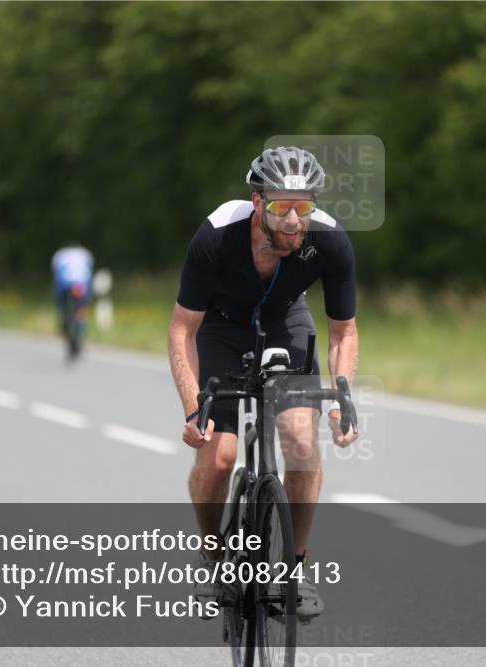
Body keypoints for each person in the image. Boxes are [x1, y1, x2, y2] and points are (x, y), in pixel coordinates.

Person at [167, 146, 361, 620]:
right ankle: (213, 561)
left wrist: (341, 400)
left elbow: (344, 332)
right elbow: (181, 330)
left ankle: (294, 568)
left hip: (286, 325)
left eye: (304, 206)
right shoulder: (218, 234)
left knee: (300, 441)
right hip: (220, 328)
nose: (294, 220)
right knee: (218, 459)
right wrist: (195, 409)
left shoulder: (330, 241)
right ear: (257, 202)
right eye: (280, 207)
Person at [51, 242, 94, 349]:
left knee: (60, 304)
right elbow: (89, 269)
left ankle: (63, 320)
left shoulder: (60, 253)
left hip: (64, 284)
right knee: (82, 306)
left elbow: (55, 271)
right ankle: (81, 327)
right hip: (82, 284)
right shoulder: (86, 253)